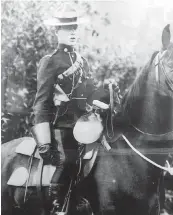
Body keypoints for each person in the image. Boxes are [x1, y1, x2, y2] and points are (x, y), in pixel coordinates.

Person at [31, 5, 119, 208]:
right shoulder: (50, 62)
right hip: (61, 125)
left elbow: (88, 96)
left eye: (75, 28)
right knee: (67, 161)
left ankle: (83, 199)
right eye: (67, 28)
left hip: (84, 125)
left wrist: (107, 96)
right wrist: (44, 140)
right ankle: (56, 205)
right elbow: (41, 102)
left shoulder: (82, 61)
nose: (72, 32)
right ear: (57, 31)